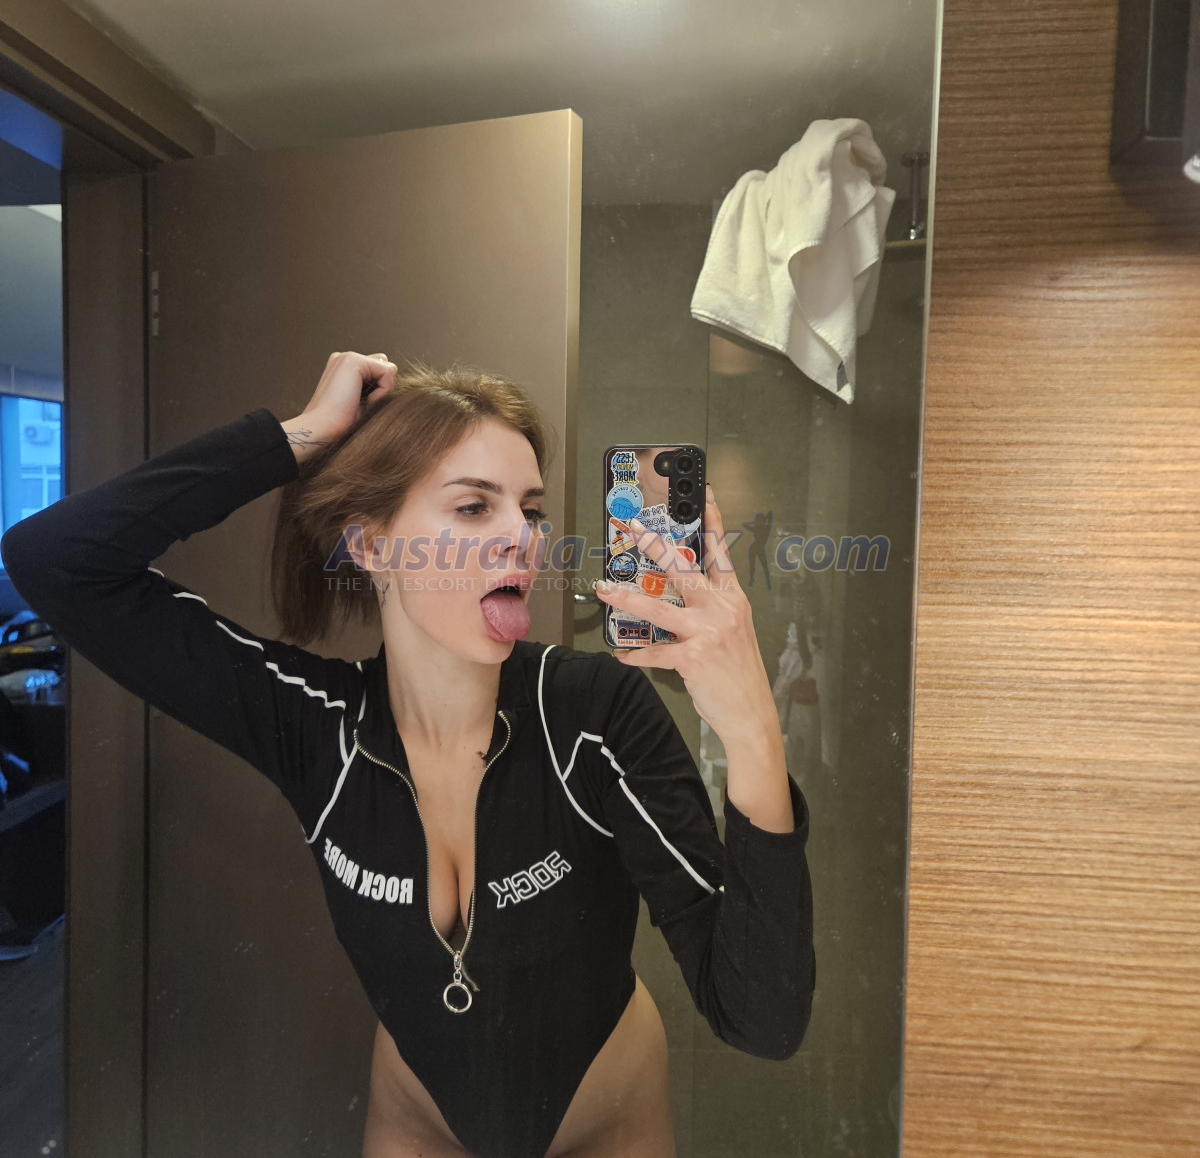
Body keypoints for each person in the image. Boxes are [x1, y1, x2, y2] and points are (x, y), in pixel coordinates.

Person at [0, 351, 815, 1158]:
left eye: (530, 511)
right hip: (418, 1123)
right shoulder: (317, 728)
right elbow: (55, 561)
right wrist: (299, 437)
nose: (524, 539)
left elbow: (762, 1020)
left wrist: (751, 727)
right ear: (369, 543)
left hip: (607, 1122)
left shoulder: (593, 716)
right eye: (474, 507)